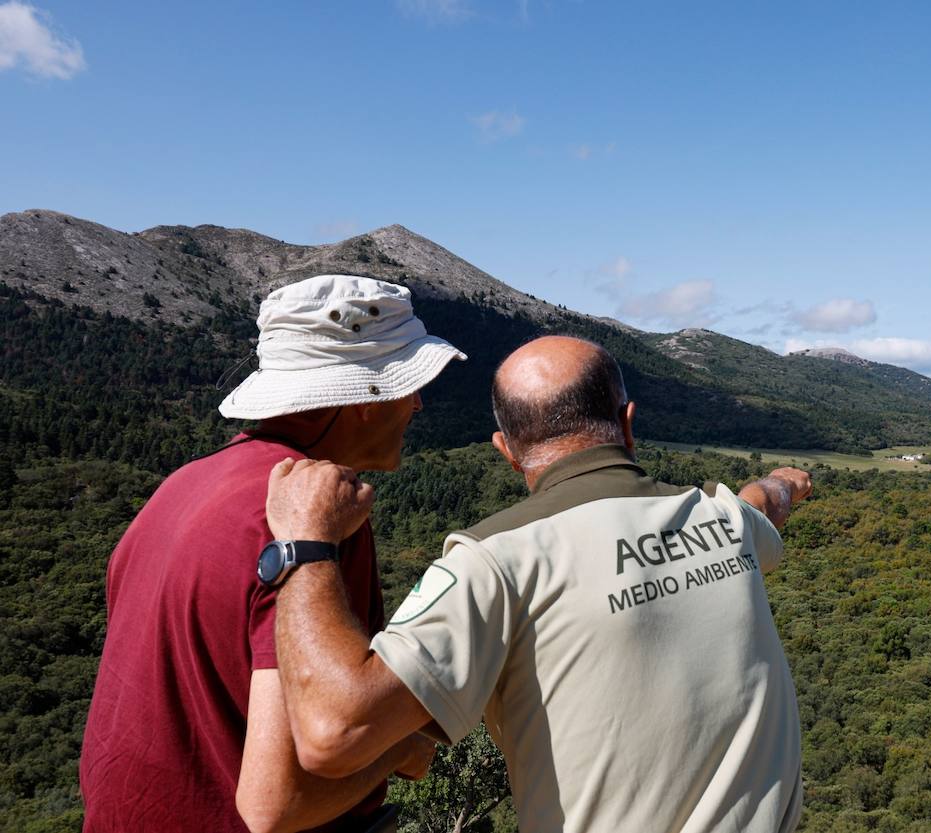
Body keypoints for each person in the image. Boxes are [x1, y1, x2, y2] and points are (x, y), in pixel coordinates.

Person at [264, 335, 812, 833]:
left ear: (506, 450)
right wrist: (784, 483)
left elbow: (335, 733)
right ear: (627, 422)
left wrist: (306, 545)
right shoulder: (725, 523)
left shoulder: (494, 562)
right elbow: (762, 503)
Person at [80, 275, 462, 833]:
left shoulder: (178, 489)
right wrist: (401, 748)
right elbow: (280, 804)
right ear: (363, 397)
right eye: (410, 383)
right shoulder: (314, 523)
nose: (419, 403)